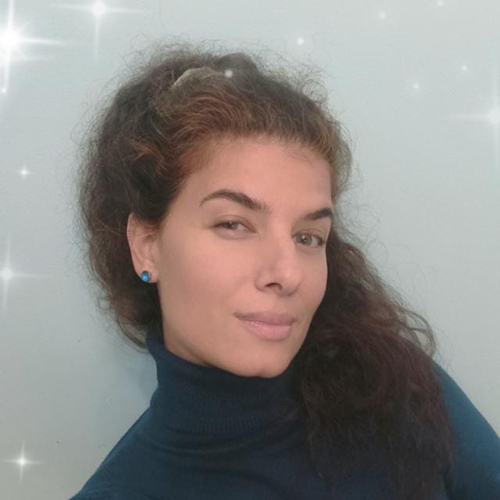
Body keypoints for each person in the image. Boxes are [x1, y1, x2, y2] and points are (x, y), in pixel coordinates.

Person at [70, 40, 500, 499]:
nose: (288, 273)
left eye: (308, 237)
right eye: (234, 224)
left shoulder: (393, 384)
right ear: (146, 246)